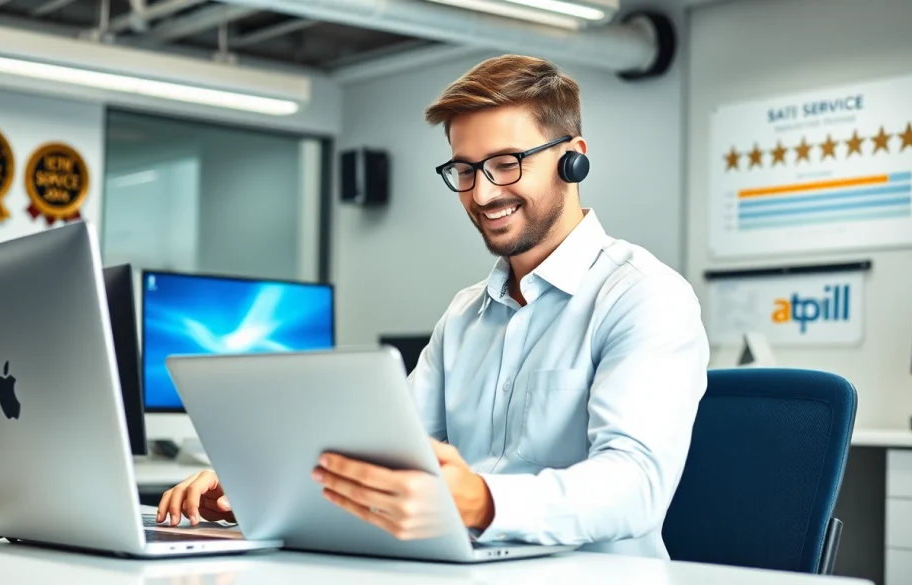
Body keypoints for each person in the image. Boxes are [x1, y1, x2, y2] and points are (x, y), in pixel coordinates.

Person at [157, 54, 709, 559]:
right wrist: (254, 482)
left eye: (507, 163)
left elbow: (636, 486)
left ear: (573, 159)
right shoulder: (465, 315)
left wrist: (484, 502)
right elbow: (380, 451)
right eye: (465, 170)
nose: (483, 193)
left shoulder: (644, 297)